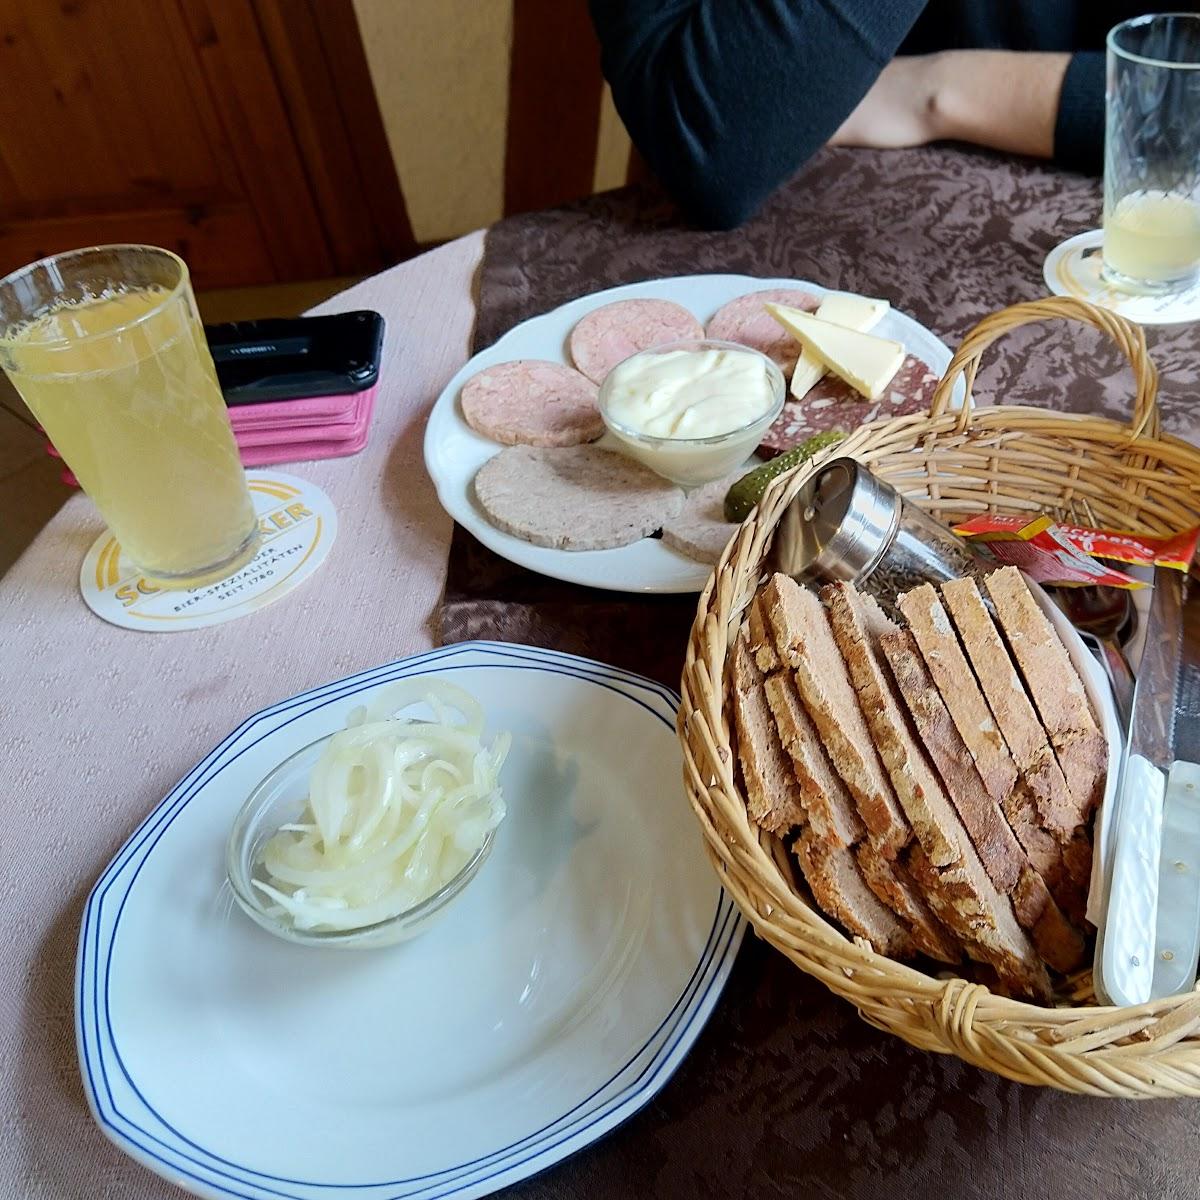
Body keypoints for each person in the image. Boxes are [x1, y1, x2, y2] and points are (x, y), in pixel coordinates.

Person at [589, 1, 1191, 229]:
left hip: (1078, 250)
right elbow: (715, 140)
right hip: (762, 252)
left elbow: (1180, 98)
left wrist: (937, 89)